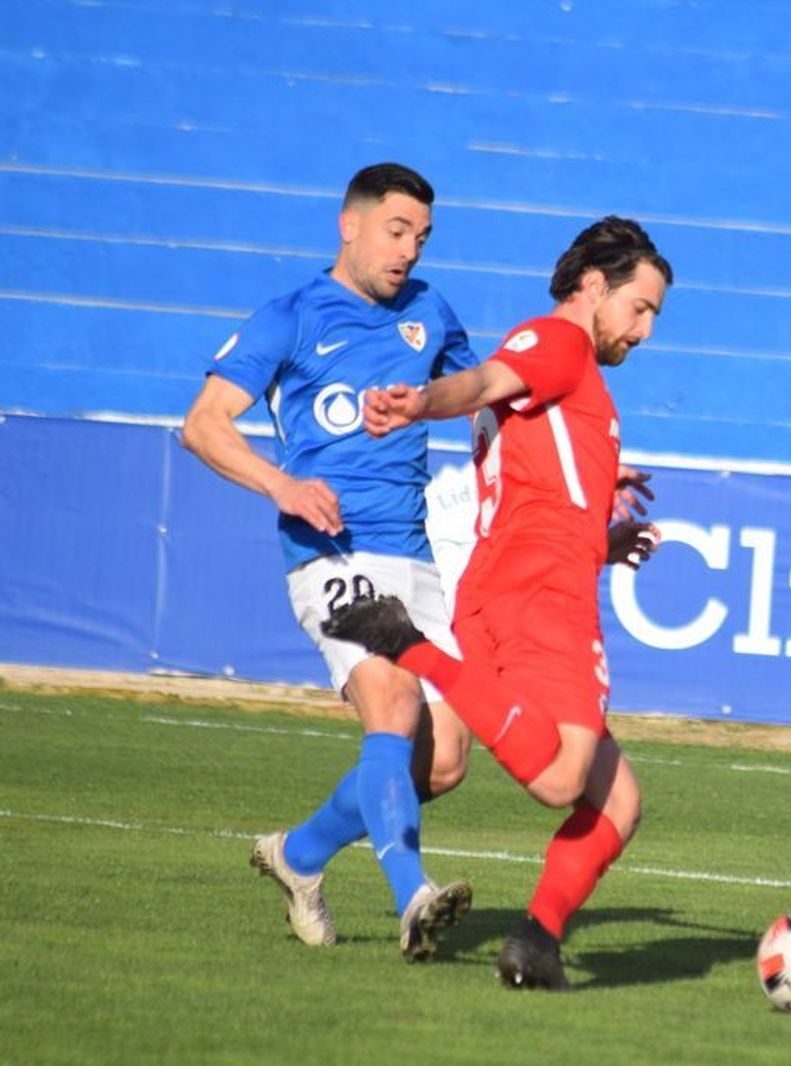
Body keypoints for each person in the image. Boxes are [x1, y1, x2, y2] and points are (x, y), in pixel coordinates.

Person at [321, 215, 672, 990]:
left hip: (521, 582)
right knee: (558, 780)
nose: (645, 331)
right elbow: (479, 383)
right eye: (640, 308)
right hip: (538, 594)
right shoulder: (560, 342)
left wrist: (602, 541)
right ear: (592, 287)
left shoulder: (575, 379)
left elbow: (527, 472)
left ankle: (536, 943)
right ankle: (407, 645)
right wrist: (421, 403)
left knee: (617, 803)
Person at [179, 162, 478, 960]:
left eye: (421, 236)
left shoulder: (429, 313)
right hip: (332, 553)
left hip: (414, 556)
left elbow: (481, 395)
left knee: (443, 761)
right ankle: (412, 896)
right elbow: (203, 424)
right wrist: (283, 484)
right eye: (396, 230)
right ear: (349, 225)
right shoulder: (291, 317)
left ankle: (299, 856)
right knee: (393, 702)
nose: (409, 250)